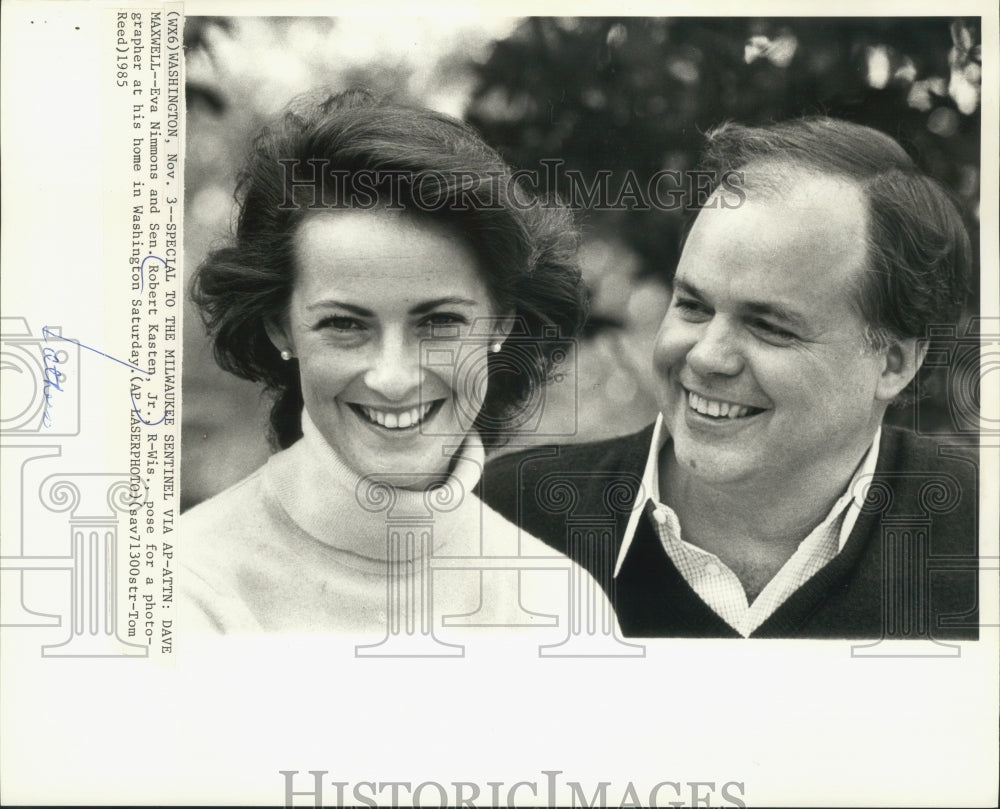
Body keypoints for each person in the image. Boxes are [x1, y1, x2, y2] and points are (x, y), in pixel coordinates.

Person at [482, 117, 979, 639]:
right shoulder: (510, 521)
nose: (706, 358)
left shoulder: (979, 537)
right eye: (693, 306)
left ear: (893, 363)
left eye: (769, 327)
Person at [180, 89, 611, 638]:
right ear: (280, 327)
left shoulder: (564, 605)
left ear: (503, 322)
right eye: (344, 325)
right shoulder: (185, 589)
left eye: (439, 324)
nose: (393, 377)